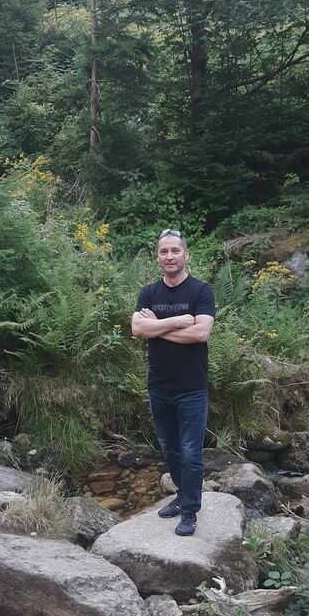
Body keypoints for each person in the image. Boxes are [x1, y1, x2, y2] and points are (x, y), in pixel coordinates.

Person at [131, 229, 215, 536]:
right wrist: (178, 321)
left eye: (175, 251)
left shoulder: (201, 291)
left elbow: (200, 333)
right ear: (158, 257)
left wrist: (156, 327)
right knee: (170, 449)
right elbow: (137, 329)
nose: (169, 256)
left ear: (186, 255)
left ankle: (190, 510)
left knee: (191, 452)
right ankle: (181, 496)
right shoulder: (148, 293)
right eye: (164, 251)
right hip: (159, 386)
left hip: (191, 388)